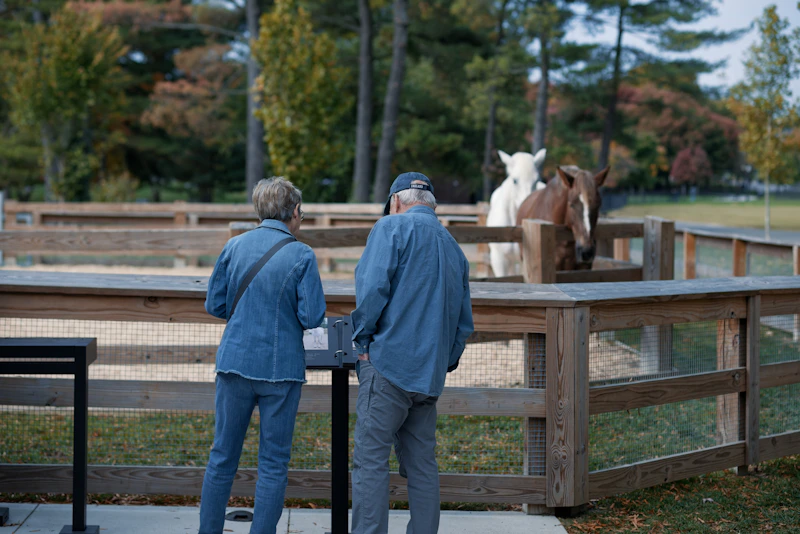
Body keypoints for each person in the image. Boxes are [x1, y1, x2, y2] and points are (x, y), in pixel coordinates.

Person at [200, 177, 326, 534]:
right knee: (273, 463)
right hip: (281, 369)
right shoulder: (301, 254)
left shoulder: (234, 246)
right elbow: (312, 317)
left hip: (235, 363)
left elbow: (215, 303)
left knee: (222, 457)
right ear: (295, 212)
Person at [350, 172, 474, 534]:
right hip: (429, 376)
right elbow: (463, 323)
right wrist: (444, 361)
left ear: (396, 202)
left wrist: (363, 344)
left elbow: (371, 290)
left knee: (371, 462)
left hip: (387, 367)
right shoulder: (454, 247)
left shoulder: (390, 228)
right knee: (422, 465)